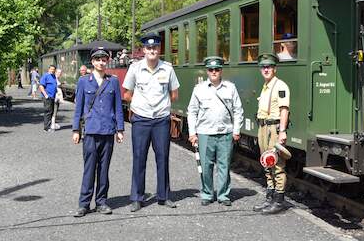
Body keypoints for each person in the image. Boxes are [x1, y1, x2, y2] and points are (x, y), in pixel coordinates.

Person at [123, 32, 180, 212]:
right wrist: (140, 105)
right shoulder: (135, 68)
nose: (152, 50)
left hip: (161, 120)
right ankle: (137, 198)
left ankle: (164, 196)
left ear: (159, 49)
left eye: (155, 47)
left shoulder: (168, 68)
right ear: (143, 50)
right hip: (141, 119)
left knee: (162, 157)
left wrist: (161, 107)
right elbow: (126, 93)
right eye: (148, 48)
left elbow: (174, 94)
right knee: (139, 158)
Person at [72, 47, 125, 217]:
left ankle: (101, 202)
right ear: (92, 62)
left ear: (107, 61)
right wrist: (76, 130)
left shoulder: (113, 81)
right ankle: (84, 203)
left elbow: (118, 106)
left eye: (104, 60)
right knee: (89, 168)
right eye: (98, 60)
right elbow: (78, 107)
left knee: (104, 169)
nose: (101, 63)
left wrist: (120, 129)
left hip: (108, 131)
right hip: (91, 132)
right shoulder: (83, 81)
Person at [187, 56, 243, 206]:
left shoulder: (230, 88)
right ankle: (207, 193)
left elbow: (238, 110)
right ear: (207, 71)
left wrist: (236, 130)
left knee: (224, 165)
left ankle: (223, 195)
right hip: (205, 132)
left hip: (225, 132)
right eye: (211, 69)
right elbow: (192, 111)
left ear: (221, 70)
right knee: (206, 166)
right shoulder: (199, 89)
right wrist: (192, 133)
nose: (214, 72)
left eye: (217, 69)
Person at [253, 53, 290, 215]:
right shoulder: (266, 85)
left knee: (276, 163)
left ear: (275, 68)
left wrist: (282, 131)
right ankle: (270, 197)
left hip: (274, 128)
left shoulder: (280, 85)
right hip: (263, 127)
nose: (266, 69)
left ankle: (279, 201)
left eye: (269, 66)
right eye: (263, 67)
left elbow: (284, 110)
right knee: (266, 163)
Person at [39, 65, 57, 133]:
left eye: (53, 69)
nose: (52, 70)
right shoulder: (45, 76)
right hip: (47, 96)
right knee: (48, 112)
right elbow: (41, 86)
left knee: (51, 111)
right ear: (48, 69)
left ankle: (48, 126)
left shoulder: (53, 76)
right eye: (51, 69)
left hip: (52, 97)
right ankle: (46, 128)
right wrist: (45, 95)